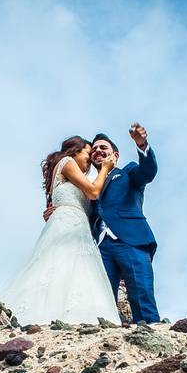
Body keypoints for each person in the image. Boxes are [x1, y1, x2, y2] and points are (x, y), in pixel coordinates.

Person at [44, 123, 160, 323]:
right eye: (94, 149)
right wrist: (59, 211)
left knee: (141, 294)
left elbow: (148, 172)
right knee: (100, 298)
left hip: (130, 240)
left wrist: (142, 145)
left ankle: (152, 335)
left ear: (115, 155)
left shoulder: (128, 172)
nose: (97, 151)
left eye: (103, 148)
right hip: (99, 249)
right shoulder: (90, 186)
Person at [2, 136, 121, 325]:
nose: (90, 160)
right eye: (88, 154)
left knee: (75, 270)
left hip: (79, 226)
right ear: (76, 150)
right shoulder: (67, 162)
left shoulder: (72, 176)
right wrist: (105, 168)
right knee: (58, 264)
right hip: (67, 225)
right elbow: (93, 191)